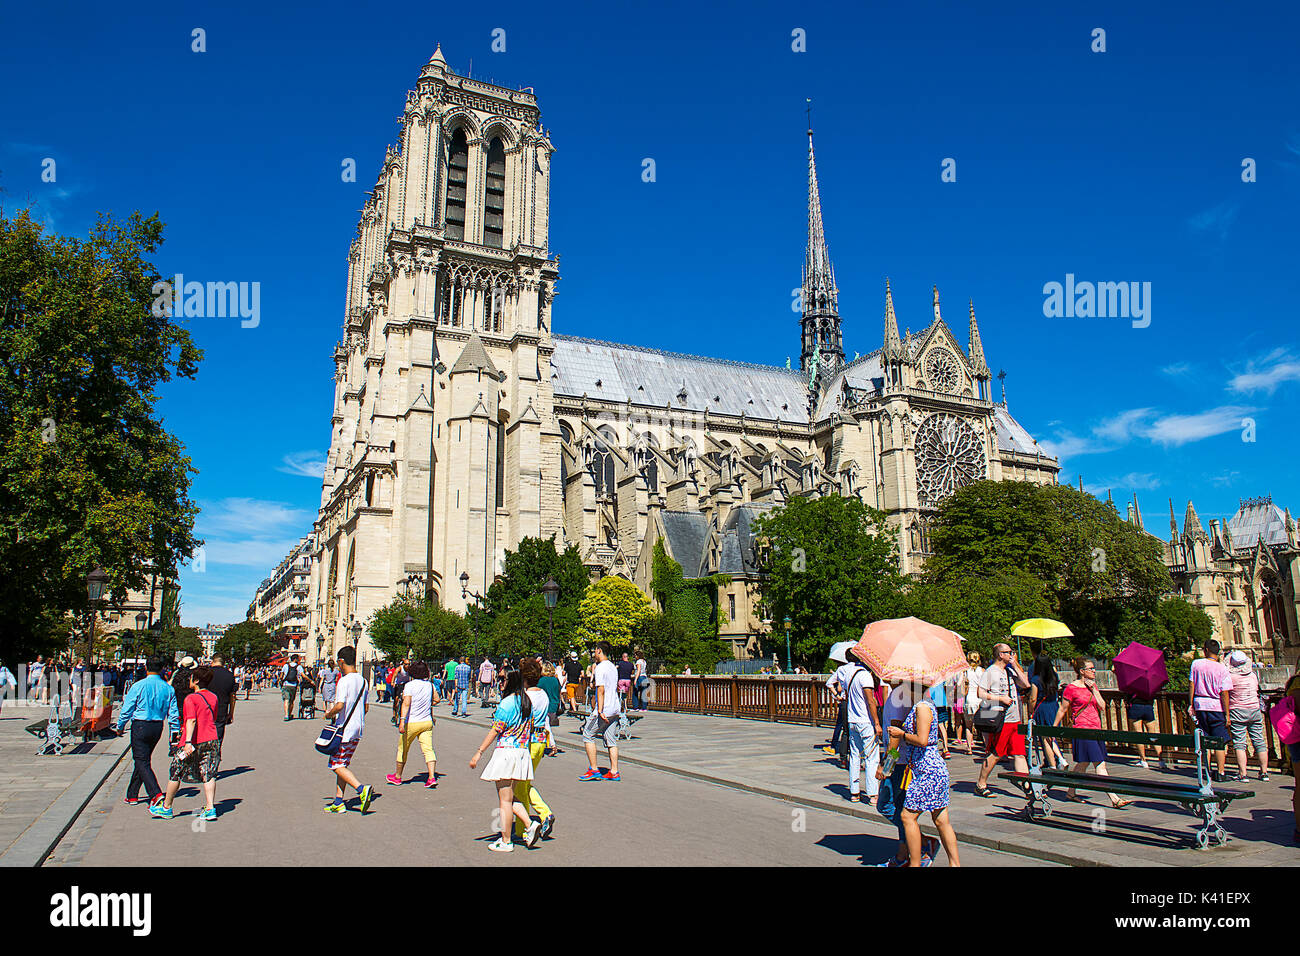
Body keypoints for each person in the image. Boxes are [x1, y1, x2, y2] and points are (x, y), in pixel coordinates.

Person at [889, 678, 961, 867]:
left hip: (926, 769)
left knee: (907, 816)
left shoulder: (921, 707)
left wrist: (901, 734)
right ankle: (954, 864)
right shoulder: (924, 704)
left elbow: (922, 739)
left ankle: (915, 862)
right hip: (929, 768)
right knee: (941, 819)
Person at [469, 669, 542, 852]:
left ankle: (506, 840)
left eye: (502, 679)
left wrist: (479, 752)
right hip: (521, 751)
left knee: (504, 800)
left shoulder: (507, 703)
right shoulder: (526, 702)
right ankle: (528, 823)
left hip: (506, 752)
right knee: (509, 797)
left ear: (510, 681)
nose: (499, 681)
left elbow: (495, 730)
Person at [1054, 658, 1131, 808]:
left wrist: (1095, 690)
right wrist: (1054, 728)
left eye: (1094, 668)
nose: (1094, 671)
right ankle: (1114, 798)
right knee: (1100, 764)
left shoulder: (1093, 686)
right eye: (1090, 668)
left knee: (1083, 763)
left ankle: (1070, 792)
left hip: (1096, 728)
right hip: (1082, 730)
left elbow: (1102, 706)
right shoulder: (1071, 688)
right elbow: (1063, 709)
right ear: (1082, 671)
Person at [150, 666, 222, 821]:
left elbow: (191, 720)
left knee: (176, 771)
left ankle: (167, 807)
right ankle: (210, 808)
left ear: (195, 681)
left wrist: (188, 741)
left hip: (193, 740)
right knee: (209, 772)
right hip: (211, 738)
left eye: (191, 678)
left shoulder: (191, 698)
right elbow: (214, 717)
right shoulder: (214, 697)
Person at [117, 656, 179, 807]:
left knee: (141, 760)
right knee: (143, 759)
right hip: (157, 726)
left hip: (140, 724)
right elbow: (173, 713)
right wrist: (175, 731)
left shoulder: (138, 686)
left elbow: (127, 708)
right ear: (162, 669)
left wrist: (120, 726)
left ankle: (155, 793)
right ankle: (132, 795)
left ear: (146, 668)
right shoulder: (168, 688)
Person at [972, 643, 1030, 798]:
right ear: (1000, 655)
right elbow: (981, 693)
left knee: (1019, 753)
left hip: (1014, 718)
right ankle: (981, 783)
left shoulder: (1010, 670)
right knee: (996, 753)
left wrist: (1015, 665)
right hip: (999, 719)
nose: (1011, 654)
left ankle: (1027, 786)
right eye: (1008, 652)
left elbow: (1026, 684)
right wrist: (1000, 698)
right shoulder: (990, 672)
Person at [322, 646, 374, 814]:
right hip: (358, 728)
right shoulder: (364, 681)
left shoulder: (344, 681)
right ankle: (338, 801)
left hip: (344, 729)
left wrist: (329, 713)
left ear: (341, 661)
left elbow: (339, 705)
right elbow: (366, 707)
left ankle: (361, 790)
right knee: (342, 764)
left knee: (336, 765)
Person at [513, 658, 556, 842]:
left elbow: (520, 721)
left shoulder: (525, 697)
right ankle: (543, 814)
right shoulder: (543, 695)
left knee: (519, 787)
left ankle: (525, 828)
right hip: (540, 741)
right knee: (525, 782)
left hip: (527, 741)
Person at [828, 654, 879, 801]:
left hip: (852, 719)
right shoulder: (865, 676)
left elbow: (836, 686)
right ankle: (872, 793)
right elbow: (870, 701)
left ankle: (854, 792)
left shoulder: (849, 674)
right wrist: (877, 722)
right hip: (865, 721)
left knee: (855, 756)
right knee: (871, 757)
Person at [389, 662, 439, 788]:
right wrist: (427, 704)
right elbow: (437, 699)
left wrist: (401, 720)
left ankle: (398, 776)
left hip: (411, 722)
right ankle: (432, 777)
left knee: (403, 749)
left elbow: (406, 704)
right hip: (426, 721)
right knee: (428, 749)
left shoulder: (409, 685)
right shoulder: (430, 685)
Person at [1188, 639, 1232, 781]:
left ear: (1205, 650)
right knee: (1218, 742)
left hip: (1200, 705)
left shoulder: (1196, 664)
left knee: (1205, 741)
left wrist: (1191, 704)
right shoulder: (1222, 668)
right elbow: (1224, 693)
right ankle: (1220, 772)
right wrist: (1227, 714)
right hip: (1216, 706)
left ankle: (1207, 770)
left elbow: (1191, 685)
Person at [579, 642, 622, 782]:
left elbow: (601, 690)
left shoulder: (600, 668)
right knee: (611, 739)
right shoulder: (612, 667)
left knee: (588, 734)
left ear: (599, 651)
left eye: (595, 651)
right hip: (615, 707)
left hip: (605, 708)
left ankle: (594, 769)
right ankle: (614, 771)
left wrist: (599, 710)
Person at [1225, 650, 1269, 782]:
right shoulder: (1253, 676)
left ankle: (1243, 774)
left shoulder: (1231, 677)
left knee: (1240, 743)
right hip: (1254, 709)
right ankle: (1264, 772)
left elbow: (1226, 693)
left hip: (1238, 710)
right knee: (1259, 741)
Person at [1028, 654, 1066, 770]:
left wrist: (1031, 710)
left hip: (1042, 708)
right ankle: (1060, 759)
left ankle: (1053, 764)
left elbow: (1033, 698)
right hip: (1053, 707)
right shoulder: (1054, 676)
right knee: (1052, 736)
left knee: (1045, 738)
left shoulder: (1036, 679)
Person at [1125, 686, 1165, 769]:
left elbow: (1128, 694)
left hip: (1136, 706)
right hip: (1148, 707)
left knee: (1139, 734)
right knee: (1153, 734)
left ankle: (1143, 760)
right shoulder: (1149, 682)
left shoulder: (1133, 682)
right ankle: (1161, 760)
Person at [953, 651, 983, 755]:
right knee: (982, 726)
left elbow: (959, 684)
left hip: (969, 699)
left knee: (968, 726)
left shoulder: (965, 671)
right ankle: (986, 746)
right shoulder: (982, 671)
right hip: (979, 699)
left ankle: (969, 748)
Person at [207, 654, 237, 748]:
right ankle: (215, 757)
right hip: (221, 710)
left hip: (206, 709)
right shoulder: (230, 675)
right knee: (218, 740)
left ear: (213, 661)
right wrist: (231, 713)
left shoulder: (207, 673)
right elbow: (232, 696)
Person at [537, 661, 564, 756]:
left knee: (545, 726)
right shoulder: (555, 680)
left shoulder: (542, 680)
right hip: (554, 705)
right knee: (545, 725)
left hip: (544, 705)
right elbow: (559, 692)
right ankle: (545, 744)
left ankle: (552, 745)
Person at [282, 655, 305, 721]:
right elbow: (302, 675)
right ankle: (289, 714)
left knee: (286, 700)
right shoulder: (299, 667)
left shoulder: (286, 665)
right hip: (293, 685)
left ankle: (286, 715)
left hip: (286, 684)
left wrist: (281, 681)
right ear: (295, 659)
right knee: (291, 701)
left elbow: (282, 675)